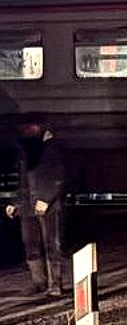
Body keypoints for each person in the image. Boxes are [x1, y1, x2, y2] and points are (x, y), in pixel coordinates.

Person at [5, 115, 68, 297]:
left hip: (47, 206)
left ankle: (55, 284)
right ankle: (38, 282)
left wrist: (46, 199)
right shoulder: (27, 150)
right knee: (30, 245)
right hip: (27, 206)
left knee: (51, 245)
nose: (25, 131)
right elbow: (22, 180)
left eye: (29, 128)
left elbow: (59, 176)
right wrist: (15, 202)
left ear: (39, 128)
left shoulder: (53, 149)